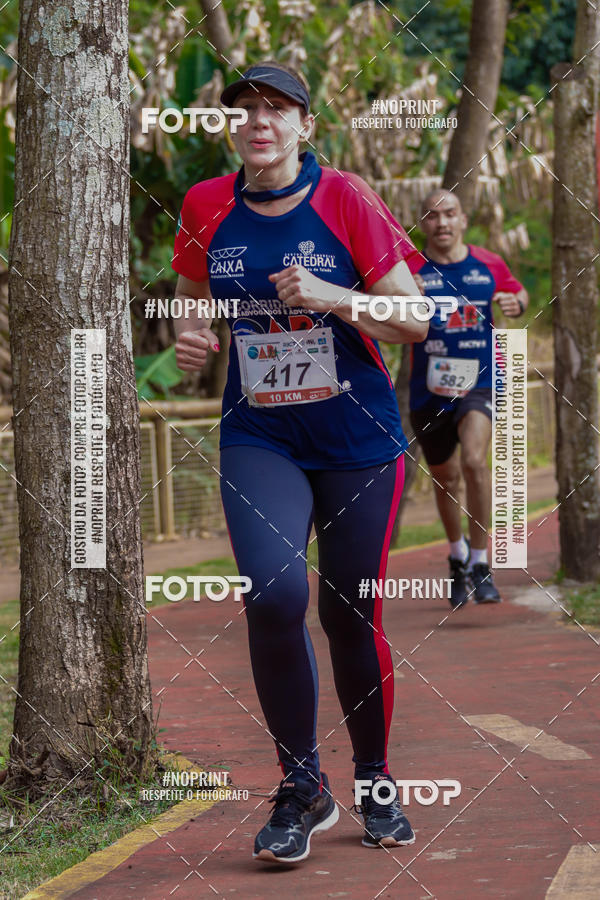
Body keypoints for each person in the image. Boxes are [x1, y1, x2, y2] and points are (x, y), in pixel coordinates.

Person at [171, 60, 427, 863]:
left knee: (350, 612)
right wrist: (190, 333)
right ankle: (303, 787)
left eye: (276, 109)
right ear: (231, 128)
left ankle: (377, 781)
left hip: (356, 440)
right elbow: (191, 287)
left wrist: (334, 297)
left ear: (304, 125)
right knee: (275, 596)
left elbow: (414, 319)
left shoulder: (345, 197)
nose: (258, 121)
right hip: (262, 435)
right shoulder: (205, 204)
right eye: (244, 109)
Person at [408, 189, 528, 609]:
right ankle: (457, 555)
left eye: (450, 214)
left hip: (479, 382)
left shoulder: (488, 262)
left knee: (476, 462)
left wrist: (515, 302)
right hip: (429, 390)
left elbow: (517, 293)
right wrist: (405, 295)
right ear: (422, 223)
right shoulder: (408, 269)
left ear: (463, 220)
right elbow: (379, 308)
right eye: (433, 216)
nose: (442, 222)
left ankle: (481, 563)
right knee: (446, 479)